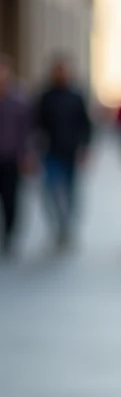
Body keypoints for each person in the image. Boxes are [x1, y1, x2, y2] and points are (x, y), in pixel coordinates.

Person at [36, 56, 92, 248]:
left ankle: (68, 225)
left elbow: (86, 125)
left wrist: (85, 148)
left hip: (71, 152)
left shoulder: (76, 96)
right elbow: (37, 124)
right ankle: (59, 224)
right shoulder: (46, 97)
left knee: (71, 191)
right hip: (51, 153)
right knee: (50, 191)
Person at [0, 55, 33, 258]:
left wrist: (27, 155)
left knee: (11, 200)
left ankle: (9, 236)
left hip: (11, 158)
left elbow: (27, 130)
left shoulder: (19, 99)